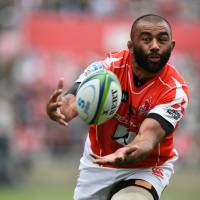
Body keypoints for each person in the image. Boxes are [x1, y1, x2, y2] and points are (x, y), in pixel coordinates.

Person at [46, 14, 189, 200]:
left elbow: (149, 136)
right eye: (146, 39)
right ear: (130, 46)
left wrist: (130, 150)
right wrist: (59, 110)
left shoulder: (174, 90)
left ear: (172, 46)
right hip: (98, 161)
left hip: (146, 167)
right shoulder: (106, 69)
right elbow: (72, 103)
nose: (155, 45)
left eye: (162, 40)